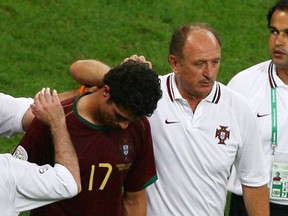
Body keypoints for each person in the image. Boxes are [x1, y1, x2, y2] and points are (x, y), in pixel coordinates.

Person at [68, 23, 270, 215]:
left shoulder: (238, 109)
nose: (209, 73)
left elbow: (254, 182)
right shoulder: (150, 96)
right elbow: (78, 69)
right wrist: (124, 77)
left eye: (215, 62)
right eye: (199, 64)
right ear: (175, 63)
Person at [13, 60, 162, 216]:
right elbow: (13, 183)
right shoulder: (52, 121)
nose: (124, 126)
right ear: (106, 92)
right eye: (119, 116)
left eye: (130, 120)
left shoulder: (139, 127)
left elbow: (134, 199)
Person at [227, 0, 288, 215]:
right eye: (274, 31)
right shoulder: (243, 85)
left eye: (287, 33)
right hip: (247, 205)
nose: (278, 42)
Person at [0, 88, 81, 216]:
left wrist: (80, 93)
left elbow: (33, 112)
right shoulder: (7, 175)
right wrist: (58, 125)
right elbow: (67, 182)